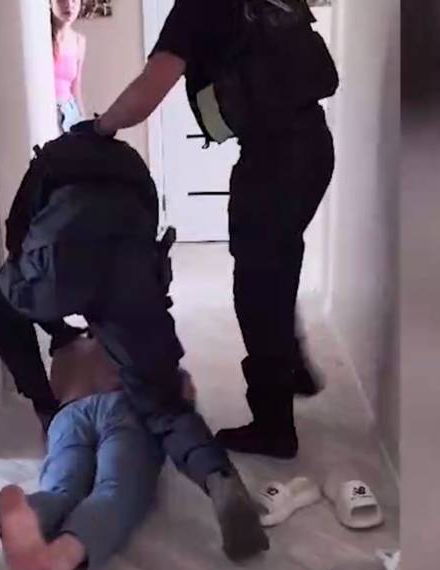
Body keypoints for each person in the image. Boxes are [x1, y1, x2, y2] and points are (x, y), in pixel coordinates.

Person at [0, 132, 268, 563]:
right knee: (124, 473)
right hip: (128, 358)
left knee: (62, 483)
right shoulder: (133, 170)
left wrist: (48, 389)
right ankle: (217, 478)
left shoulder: (50, 163)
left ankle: (38, 511)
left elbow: (17, 247)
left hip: (68, 404)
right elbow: (150, 264)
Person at [80, 0, 337, 459]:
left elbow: (151, 87)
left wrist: (99, 127)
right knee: (277, 264)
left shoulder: (197, 6)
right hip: (315, 146)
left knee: (258, 289)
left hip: (275, 159)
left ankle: (274, 426)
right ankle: (291, 365)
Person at [0, 336, 177, 570]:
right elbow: (178, 410)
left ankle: (34, 511)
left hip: (69, 413)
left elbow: (51, 395)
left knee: (63, 491)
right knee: (114, 490)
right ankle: (62, 559)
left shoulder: (70, 348)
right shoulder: (146, 339)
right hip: (126, 408)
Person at [51, 0, 87, 133]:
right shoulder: (40, 38)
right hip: (47, 111)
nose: (69, 5)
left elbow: (76, 87)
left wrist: (83, 121)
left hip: (70, 113)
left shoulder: (79, 41)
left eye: (74, 0)